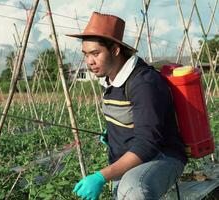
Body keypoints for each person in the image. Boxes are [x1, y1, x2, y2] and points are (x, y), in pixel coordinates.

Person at [67, 12, 187, 199]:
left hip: (161, 157)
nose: (89, 62)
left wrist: (101, 176)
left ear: (115, 50)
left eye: (95, 53)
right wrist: (114, 133)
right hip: (130, 160)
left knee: (133, 189)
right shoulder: (110, 79)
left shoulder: (143, 83)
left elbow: (147, 145)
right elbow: (127, 116)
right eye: (86, 55)